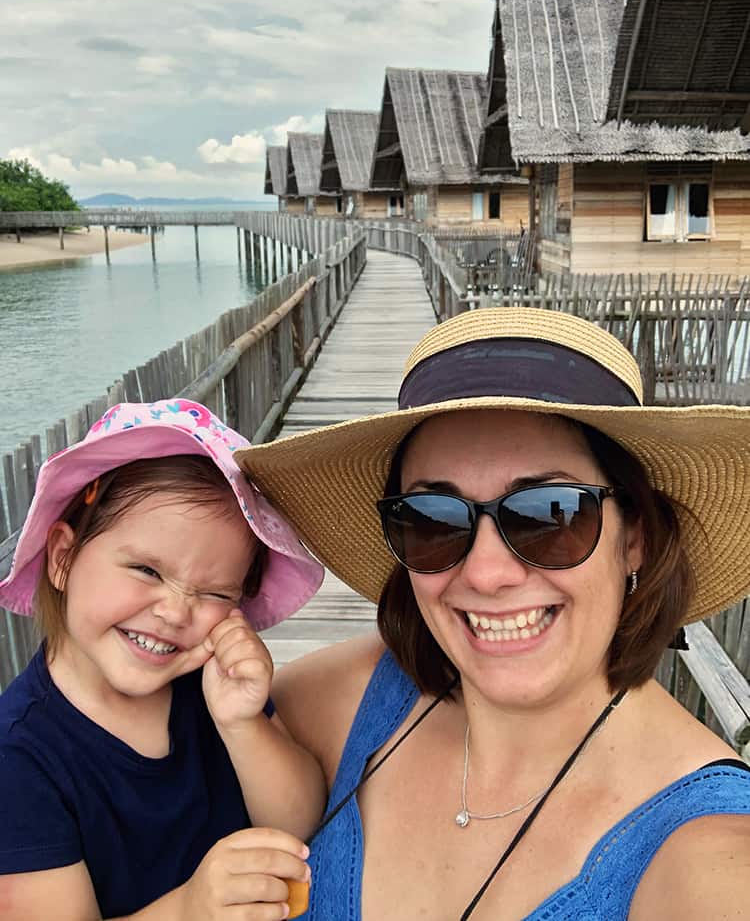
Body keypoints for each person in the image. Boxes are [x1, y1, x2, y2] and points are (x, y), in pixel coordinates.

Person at [235, 307, 750, 921]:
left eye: (549, 516)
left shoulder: (709, 855)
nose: (485, 572)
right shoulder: (355, 700)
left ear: (634, 536)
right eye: (432, 521)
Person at [0, 398, 327, 921]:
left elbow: (300, 820)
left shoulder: (207, 686)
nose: (175, 612)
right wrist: (189, 909)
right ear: (63, 559)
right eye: (147, 571)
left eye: (216, 593)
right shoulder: (19, 759)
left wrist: (244, 724)